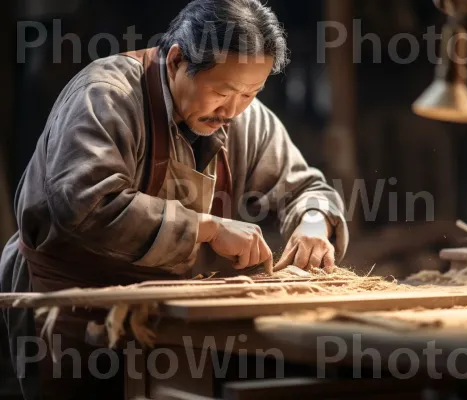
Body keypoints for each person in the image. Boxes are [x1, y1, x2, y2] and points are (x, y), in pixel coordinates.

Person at [0, 0, 349, 398]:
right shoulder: (106, 95)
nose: (232, 110)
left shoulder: (244, 118)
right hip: (71, 311)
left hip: (173, 319)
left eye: (251, 93)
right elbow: (84, 205)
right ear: (177, 61)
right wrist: (207, 227)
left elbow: (307, 189)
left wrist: (313, 223)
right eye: (222, 91)